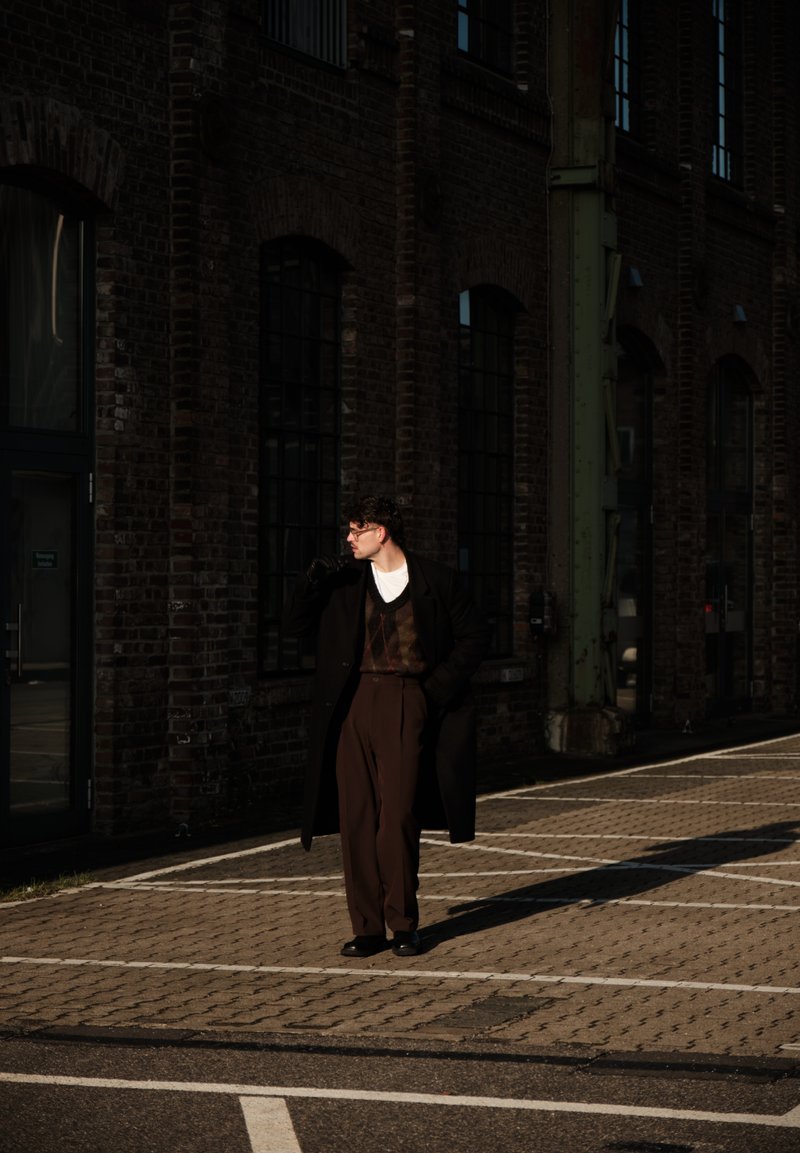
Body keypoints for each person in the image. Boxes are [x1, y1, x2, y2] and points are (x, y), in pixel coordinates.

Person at [284, 495, 489, 958]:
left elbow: (476, 635)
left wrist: (433, 690)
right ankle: (367, 929)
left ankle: (403, 923)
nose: (349, 538)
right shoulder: (342, 583)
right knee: (355, 816)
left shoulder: (434, 579)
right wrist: (309, 582)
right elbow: (294, 626)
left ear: (383, 532)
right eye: (349, 531)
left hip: (407, 699)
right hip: (352, 702)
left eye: (357, 530)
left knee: (397, 816)